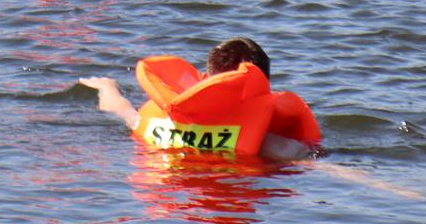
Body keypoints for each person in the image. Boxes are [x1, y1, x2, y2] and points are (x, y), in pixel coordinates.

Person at [79, 37, 322, 162]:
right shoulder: (265, 143)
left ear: (204, 79)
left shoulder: (157, 121)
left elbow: (122, 110)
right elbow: (325, 167)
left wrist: (106, 87)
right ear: (262, 89)